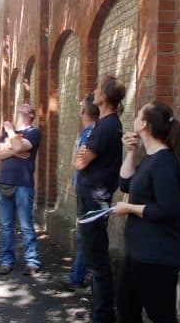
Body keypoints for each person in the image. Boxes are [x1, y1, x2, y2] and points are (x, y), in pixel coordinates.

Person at [112, 101, 180, 322]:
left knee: (161, 315)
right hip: (138, 253)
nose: (134, 119)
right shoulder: (149, 159)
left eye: (137, 116)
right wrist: (131, 151)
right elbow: (125, 183)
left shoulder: (165, 162)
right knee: (126, 309)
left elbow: (167, 210)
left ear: (144, 124)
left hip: (157, 256)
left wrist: (128, 208)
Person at [73, 75, 126, 323]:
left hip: (94, 201)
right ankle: (100, 310)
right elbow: (83, 159)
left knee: (97, 261)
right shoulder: (107, 125)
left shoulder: (104, 127)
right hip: (94, 199)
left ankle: (102, 315)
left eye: (96, 88)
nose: (92, 91)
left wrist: (80, 157)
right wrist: (82, 156)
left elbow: (80, 161)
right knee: (95, 258)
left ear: (104, 96)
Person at [0, 102, 42, 276]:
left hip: (23, 184)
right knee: (6, 225)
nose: (22, 106)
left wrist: (10, 132)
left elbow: (20, 146)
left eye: (26, 106)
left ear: (31, 114)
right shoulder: (7, 134)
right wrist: (15, 149)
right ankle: (6, 261)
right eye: (20, 105)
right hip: (4, 182)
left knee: (26, 225)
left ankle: (32, 261)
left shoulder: (33, 132)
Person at [65, 93, 99, 291]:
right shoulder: (87, 132)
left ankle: (80, 278)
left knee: (87, 236)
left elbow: (78, 162)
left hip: (89, 193)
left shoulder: (92, 134)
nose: (79, 107)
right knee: (83, 235)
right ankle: (77, 276)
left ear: (84, 110)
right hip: (84, 190)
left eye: (80, 105)